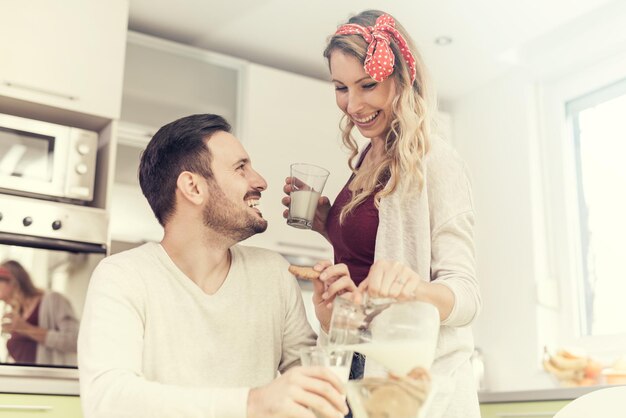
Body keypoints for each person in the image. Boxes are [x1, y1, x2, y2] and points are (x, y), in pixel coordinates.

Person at [77, 114, 348, 418]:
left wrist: (331, 327)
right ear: (193, 187)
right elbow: (107, 400)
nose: (260, 181)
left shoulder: (274, 274)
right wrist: (253, 403)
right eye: (240, 168)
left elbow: (317, 400)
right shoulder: (123, 277)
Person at [282, 10, 482, 418]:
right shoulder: (371, 155)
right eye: (341, 88)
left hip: (409, 382)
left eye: (367, 85)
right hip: (355, 362)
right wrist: (328, 226)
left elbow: (467, 296)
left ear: (401, 79)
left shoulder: (434, 160)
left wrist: (416, 289)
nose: (353, 105)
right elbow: (371, 257)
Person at [0, 259, 79, 366]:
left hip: (51, 380)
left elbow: (75, 341)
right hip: (28, 381)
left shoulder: (53, 300)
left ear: (13, 280)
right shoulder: (17, 314)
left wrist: (26, 328)